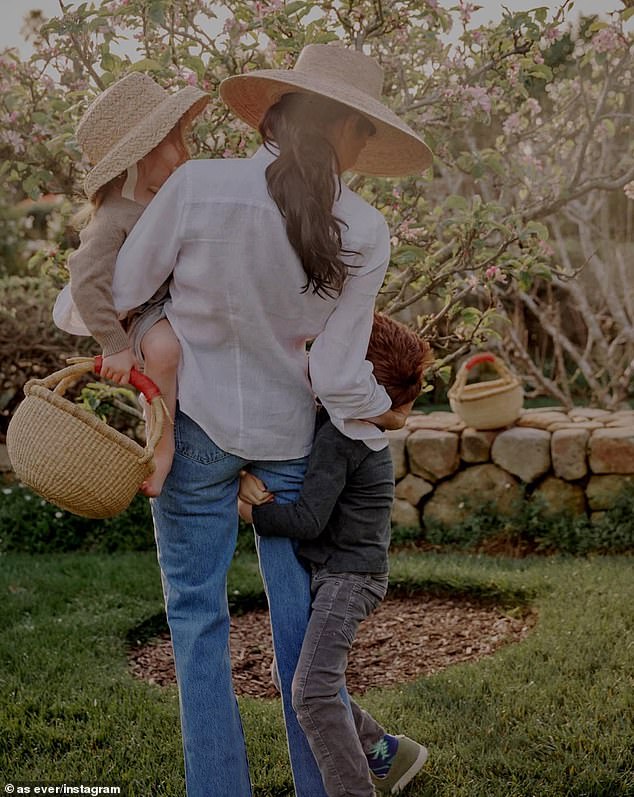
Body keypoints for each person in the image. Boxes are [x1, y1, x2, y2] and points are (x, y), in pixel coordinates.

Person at [109, 44, 432, 797]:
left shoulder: (196, 186)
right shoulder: (364, 229)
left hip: (194, 435)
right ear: (351, 132)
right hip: (292, 446)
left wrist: (162, 329)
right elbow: (334, 375)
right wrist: (385, 416)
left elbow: (124, 288)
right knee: (300, 634)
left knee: (195, 620)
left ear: (279, 115)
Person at [238, 313, 434, 797]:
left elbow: (307, 520)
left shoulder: (340, 437)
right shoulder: (352, 426)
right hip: (348, 573)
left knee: (310, 691)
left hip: (348, 579)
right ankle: (388, 752)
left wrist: (252, 513)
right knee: (291, 676)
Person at [52, 72, 209, 496]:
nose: (183, 153)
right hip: (144, 313)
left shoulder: (166, 199)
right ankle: (159, 451)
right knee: (163, 351)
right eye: (173, 143)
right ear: (139, 155)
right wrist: (114, 344)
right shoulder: (114, 217)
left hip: (180, 301)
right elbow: (86, 280)